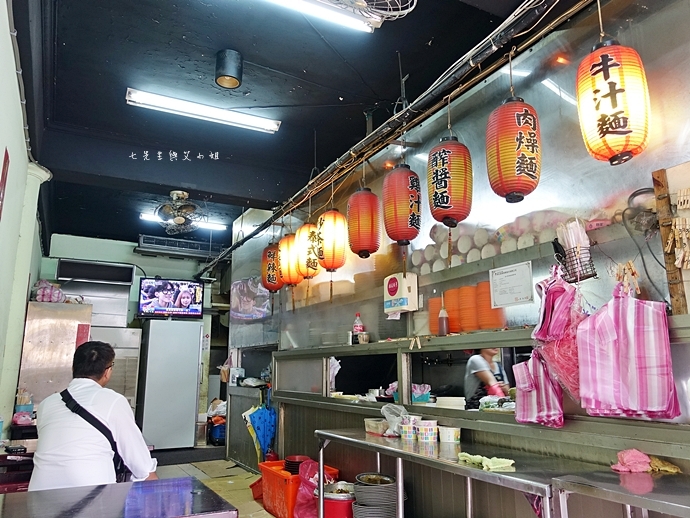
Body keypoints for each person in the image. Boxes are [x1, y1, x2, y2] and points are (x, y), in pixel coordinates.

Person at [29, 341, 157, 491]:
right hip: (92, 499)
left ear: (73, 368)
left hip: (38, 497)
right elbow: (141, 465)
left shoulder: (46, 404)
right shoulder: (114, 401)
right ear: (107, 372)